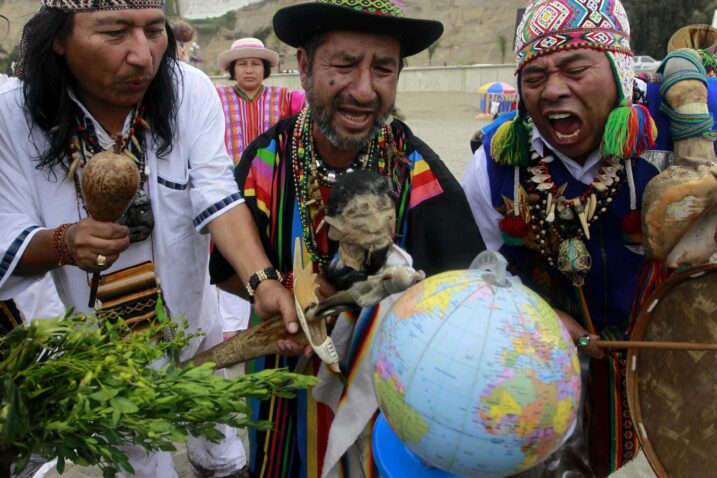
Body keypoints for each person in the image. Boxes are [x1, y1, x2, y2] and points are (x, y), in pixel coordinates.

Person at [0, 1, 278, 476]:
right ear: (59, 39)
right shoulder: (13, 116)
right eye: (114, 33)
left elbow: (217, 194)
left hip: (190, 314)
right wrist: (64, 244)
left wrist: (264, 283)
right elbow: (8, 229)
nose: (142, 56)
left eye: (154, 31)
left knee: (218, 436)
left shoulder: (189, 90)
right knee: (135, 453)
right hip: (92, 341)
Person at [209, 1, 485, 476]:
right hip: (281, 386)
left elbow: (461, 290)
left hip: (380, 394)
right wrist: (275, 296)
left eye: (383, 69)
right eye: (343, 65)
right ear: (304, 65)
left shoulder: (412, 167)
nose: (364, 89)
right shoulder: (266, 162)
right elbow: (225, 267)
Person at [461, 0, 671, 476]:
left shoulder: (679, 132)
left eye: (576, 68)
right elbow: (482, 272)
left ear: (618, 69)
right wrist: (538, 314)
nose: (554, 90)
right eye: (534, 77)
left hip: (671, 370)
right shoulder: (496, 163)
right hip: (550, 374)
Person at [215, 38, 305, 340]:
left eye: (256, 63)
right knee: (230, 252)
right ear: (232, 69)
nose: (249, 70)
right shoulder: (217, 98)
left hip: (271, 190)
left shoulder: (286, 99)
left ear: (265, 68)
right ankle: (231, 325)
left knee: (265, 247)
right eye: (242, 64)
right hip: (228, 186)